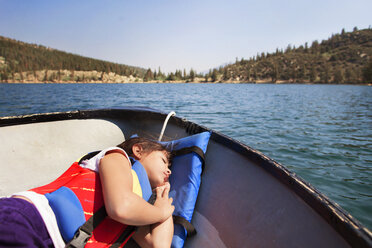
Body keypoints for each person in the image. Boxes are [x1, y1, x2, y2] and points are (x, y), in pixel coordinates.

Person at [0, 137, 174, 248]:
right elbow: (121, 208)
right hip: (30, 220)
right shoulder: (117, 157)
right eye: (164, 161)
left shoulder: (141, 205)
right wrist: (161, 212)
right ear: (138, 150)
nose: (169, 171)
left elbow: (158, 244)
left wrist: (164, 200)